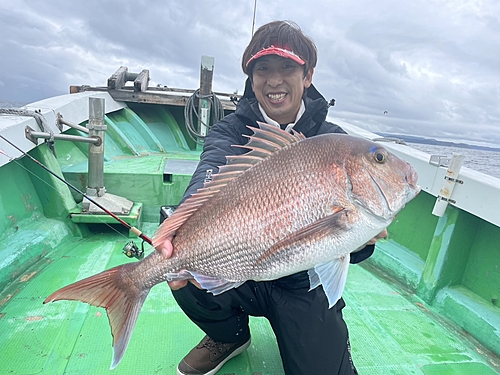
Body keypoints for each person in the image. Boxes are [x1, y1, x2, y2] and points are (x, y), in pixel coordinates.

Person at [157, 20, 386, 375]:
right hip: (236, 264)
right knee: (180, 254)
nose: (274, 80)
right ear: (251, 78)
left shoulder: (333, 141)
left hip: (301, 283)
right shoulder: (229, 130)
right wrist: (176, 235)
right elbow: (208, 178)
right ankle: (228, 336)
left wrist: (360, 240)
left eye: (287, 68)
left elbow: (350, 246)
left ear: (307, 75)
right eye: (262, 69)